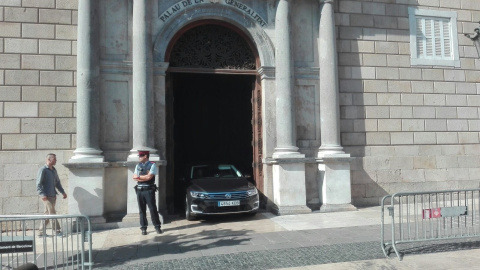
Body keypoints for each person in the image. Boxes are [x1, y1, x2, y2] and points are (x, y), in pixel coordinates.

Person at [36, 153, 67, 237]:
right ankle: (57, 231)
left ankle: (41, 232)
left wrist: (62, 192)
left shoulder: (54, 170)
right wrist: (42, 194)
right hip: (46, 196)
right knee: (52, 213)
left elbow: (57, 182)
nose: (56, 160)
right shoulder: (43, 170)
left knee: (47, 214)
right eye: (54, 159)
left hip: (53, 195)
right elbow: (38, 183)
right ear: (49, 159)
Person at [133, 150, 162, 235]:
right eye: (139, 156)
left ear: (146, 156)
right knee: (142, 210)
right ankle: (143, 228)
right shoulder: (138, 165)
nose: (139, 157)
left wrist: (139, 177)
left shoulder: (152, 165)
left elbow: (149, 177)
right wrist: (143, 177)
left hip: (149, 190)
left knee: (152, 209)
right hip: (139, 190)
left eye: (141, 156)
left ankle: (157, 226)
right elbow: (134, 177)